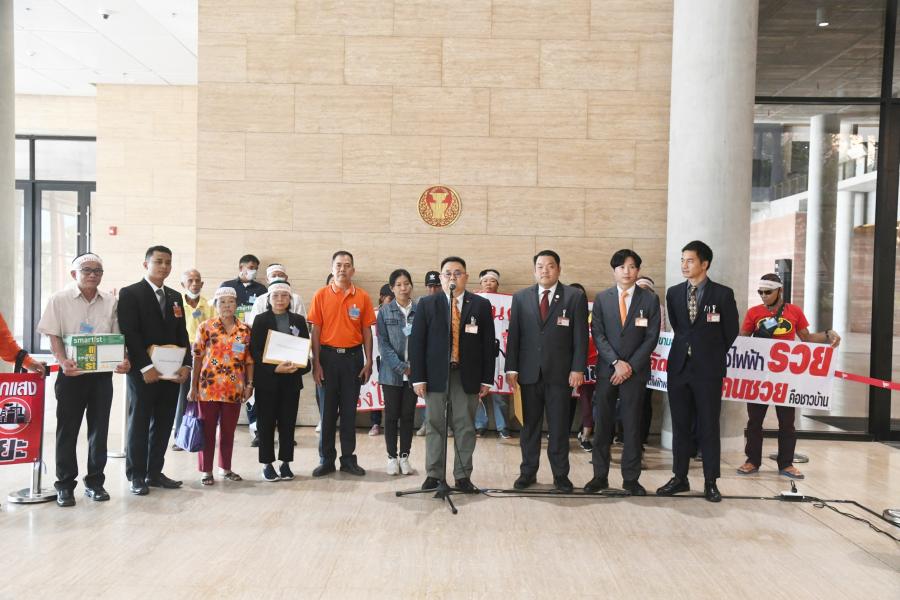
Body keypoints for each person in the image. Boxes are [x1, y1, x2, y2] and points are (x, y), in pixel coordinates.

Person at [37, 253, 130, 506]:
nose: (92, 275)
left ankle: (95, 482)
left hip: (101, 376)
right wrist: (62, 360)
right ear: (73, 274)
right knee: (68, 430)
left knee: (99, 430)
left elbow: (117, 337)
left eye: (97, 271)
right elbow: (53, 335)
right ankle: (65, 485)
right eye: (86, 270)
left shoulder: (110, 301)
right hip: (71, 375)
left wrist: (124, 359)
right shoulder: (59, 299)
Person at [656, 240, 739, 503]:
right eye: (682, 260)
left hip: (708, 371)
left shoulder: (722, 294)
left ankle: (710, 481)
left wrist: (708, 353)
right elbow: (680, 328)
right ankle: (679, 477)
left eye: (690, 260)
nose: (684, 265)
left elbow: (730, 332)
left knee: (708, 426)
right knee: (680, 425)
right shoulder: (673, 293)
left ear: (705, 264)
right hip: (679, 368)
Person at [737, 273, 841, 480]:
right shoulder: (754, 312)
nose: (763, 296)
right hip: (759, 375)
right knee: (754, 420)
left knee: (787, 422)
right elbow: (742, 340)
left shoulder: (794, 311)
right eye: (760, 292)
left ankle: (786, 463)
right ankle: (752, 460)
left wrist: (828, 334)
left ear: (780, 291)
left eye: (768, 292)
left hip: (785, 376)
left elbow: (807, 338)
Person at [410, 256, 495, 493]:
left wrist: (487, 379)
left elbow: (488, 345)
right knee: (434, 424)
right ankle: (434, 474)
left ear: (466, 277)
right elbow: (417, 343)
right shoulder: (428, 304)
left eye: (458, 273)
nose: (452, 277)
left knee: (465, 427)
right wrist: (418, 378)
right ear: (441, 278)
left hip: (467, 376)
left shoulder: (480, 305)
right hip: (436, 376)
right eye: (447, 273)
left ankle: (462, 476)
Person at [505, 250, 588, 493]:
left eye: (550, 266)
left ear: (558, 269)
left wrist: (578, 368)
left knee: (559, 428)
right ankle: (527, 472)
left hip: (560, 375)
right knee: (529, 427)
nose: (545, 270)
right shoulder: (521, 297)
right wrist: (511, 368)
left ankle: (561, 476)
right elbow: (514, 336)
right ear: (534, 270)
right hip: (528, 374)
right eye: (540, 266)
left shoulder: (574, 297)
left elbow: (581, 337)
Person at [584, 250, 660, 496]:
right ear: (614, 271)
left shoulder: (649, 300)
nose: (627, 271)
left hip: (635, 373)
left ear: (638, 270)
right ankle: (599, 476)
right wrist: (616, 362)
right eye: (621, 267)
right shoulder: (602, 299)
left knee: (632, 425)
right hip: (607, 370)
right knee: (603, 424)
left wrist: (629, 366)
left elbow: (651, 337)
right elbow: (598, 334)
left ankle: (631, 479)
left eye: (632, 267)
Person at [117, 245, 192, 495]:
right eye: (158, 261)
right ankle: (136, 475)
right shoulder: (131, 293)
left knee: (163, 423)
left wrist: (186, 365)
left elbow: (182, 334)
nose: (164, 266)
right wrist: (145, 366)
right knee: (139, 424)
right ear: (145, 264)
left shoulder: (175, 296)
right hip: (143, 372)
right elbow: (130, 333)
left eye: (168, 262)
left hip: (171, 373)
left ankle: (154, 472)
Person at [308, 251, 375, 477]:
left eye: (347, 265)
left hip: (353, 360)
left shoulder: (362, 297)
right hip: (327, 359)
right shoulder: (321, 295)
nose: (342, 269)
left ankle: (348, 460)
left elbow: (367, 331)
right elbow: (315, 331)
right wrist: (316, 362)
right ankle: (326, 460)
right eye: (338, 265)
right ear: (332, 268)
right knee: (327, 413)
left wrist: (368, 361)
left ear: (353, 270)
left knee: (348, 412)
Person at [188, 287, 254, 485]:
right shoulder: (206, 327)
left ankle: (225, 468)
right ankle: (206, 471)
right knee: (207, 431)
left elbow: (249, 360)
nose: (227, 306)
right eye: (222, 302)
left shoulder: (245, 329)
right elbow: (197, 358)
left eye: (231, 302)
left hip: (234, 389)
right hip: (208, 387)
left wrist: (249, 385)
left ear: (236, 305)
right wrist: (193, 387)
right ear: (216, 305)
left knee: (228, 431)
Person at [249, 282, 309, 481]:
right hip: (267, 381)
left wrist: (299, 366)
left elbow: (304, 348)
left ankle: (286, 463)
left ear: (290, 299)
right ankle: (267, 464)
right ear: (269, 299)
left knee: (288, 424)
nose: (280, 299)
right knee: (266, 423)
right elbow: (255, 351)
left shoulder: (299, 320)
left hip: (291, 381)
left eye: (284, 296)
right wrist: (274, 368)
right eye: (276, 296)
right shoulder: (260, 320)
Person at [220, 254, 268, 446]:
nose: (253, 271)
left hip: (253, 342)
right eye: (250, 267)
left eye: (256, 268)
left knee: (252, 387)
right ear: (241, 267)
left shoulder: (262, 290)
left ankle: (256, 430)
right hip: (229, 345)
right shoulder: (228, 286)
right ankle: (223, 430)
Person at [376, 270, 418, 476]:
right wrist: (402, 367)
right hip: (391, 373)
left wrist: (414, 367)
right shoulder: (384, 312)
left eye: (407, 283)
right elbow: (383, 345)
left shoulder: (419, 310)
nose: (403, 288)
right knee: (391, 416)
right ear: (392, 288)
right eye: (399, 285)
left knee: (408, 416)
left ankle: (405, 457)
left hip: (414, 373)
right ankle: (392, 457)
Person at [172, 268, 214, 451]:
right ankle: (180, 437)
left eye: (198, 280)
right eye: (190, 280)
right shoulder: (176, 304)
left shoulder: (210, 305)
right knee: (184, 395)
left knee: (202, 394)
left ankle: (201, 436)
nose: (194, 284)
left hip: (204, 354)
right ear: (183, 284)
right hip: (182, 352)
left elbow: (213, 331)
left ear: (202, 283)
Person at [474, 268, 510, 439]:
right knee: (476, 391)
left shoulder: (506, 303)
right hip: (478, 350)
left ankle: (503, 426)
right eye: (485, 281)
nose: (488, 283)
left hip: (499, 351)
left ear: (498, 284)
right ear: (480, 283)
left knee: (499, 392)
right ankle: (479, 425)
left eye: (492, 281)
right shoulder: (473, 301)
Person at [635, 275, 664, 446]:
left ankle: (642, 437)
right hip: (629, 362)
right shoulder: (629, 303)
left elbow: (661, 333)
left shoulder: (658, 308)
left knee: (645, 400)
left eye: (646, 290)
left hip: (652, 362)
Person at [415, 270, 444, 437]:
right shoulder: (420, 304)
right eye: (430, 286)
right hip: (425, 356)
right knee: (426, 393)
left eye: (437, 286)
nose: (433, 290)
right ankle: (426, 423)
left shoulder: (449, 302)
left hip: (442, 357)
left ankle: (446, 425)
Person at [570, 282, 596, 452]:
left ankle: (586, 435)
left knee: (590, 402)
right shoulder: (561, 314)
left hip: (592, 365)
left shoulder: (594, 315)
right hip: (567, 365)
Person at [368, 283, 394, 437]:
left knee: (392, 392)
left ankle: (393, 423)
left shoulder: (400, 312)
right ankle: (375, 423)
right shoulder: (373, 314)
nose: (393, 301)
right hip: (375, 358)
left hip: (394, 358)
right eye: (390, 298)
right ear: (382, 298)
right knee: (374, 389)